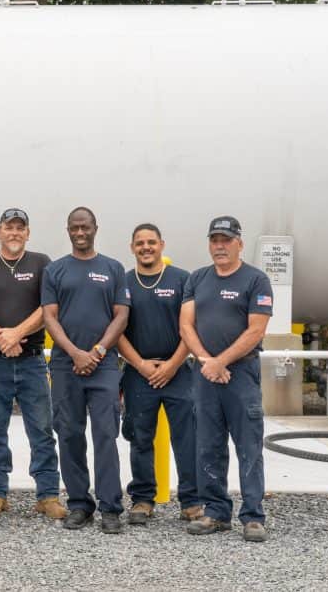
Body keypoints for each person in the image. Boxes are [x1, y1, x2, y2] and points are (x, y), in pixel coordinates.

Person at [180, 216, 273, 543]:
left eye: (226, 240)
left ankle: (252, 516)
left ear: (239, 243)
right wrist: (208, 362)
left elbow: (257, 329)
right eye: (214, 240)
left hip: (241, 374)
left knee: (248, 445)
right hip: (205, 375)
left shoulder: (256, 280)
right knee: (208, 445)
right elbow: (186, 326)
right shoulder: (197, 279)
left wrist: (221, 361)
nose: (219, 246)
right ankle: (217, 512)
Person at [0, 208, 66, 520]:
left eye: (20, 228)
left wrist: (16, 334)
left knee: (41, 429)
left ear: (28, 233)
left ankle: (48, 495)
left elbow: (47, 308)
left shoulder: (42, 263)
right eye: (8, 228)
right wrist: (0, 336)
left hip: (32, 362)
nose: (14, 233)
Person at [41, 207, 130, 534]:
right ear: (68, 230)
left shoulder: (113, 268)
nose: (80, 232)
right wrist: (76, 353)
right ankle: (79, 505)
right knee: (69, 434)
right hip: (66, 365)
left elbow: (121, 315)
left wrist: (97, 351)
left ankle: (110, 507)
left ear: (95, 228)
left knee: (105, 434)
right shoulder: (55, 270)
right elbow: (50, 316)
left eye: (86, 227)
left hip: (103, 365)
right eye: (75, 227)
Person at [117, 223, 202, 526]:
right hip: (139, 373)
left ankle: (192, 502)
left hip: (178, 371)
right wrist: (140, 364)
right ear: (132, 248)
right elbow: (116, 331)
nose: (146, 247)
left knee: (187, 438)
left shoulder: (182, 280)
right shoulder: (123, 282)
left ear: (162, 245)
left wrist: (173, 364)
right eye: (140, 243)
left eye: (151, 242)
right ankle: (142, 499)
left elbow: (190, 327)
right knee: (140, 438)